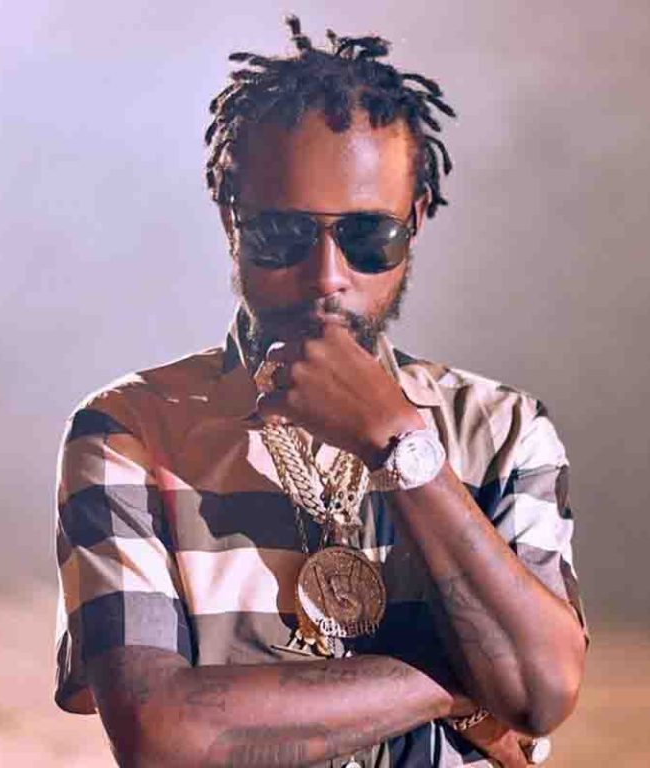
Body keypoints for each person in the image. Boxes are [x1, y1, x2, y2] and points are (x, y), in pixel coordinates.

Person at [53, 16, 588, 767]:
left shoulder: (501, 430)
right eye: (283, 235)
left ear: (416, 221)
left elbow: (541, 692)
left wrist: (402, 449)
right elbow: (163, 738)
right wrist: (463, 683)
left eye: (369, 237)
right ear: (231, 218)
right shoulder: (128, 431)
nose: (327, 276)